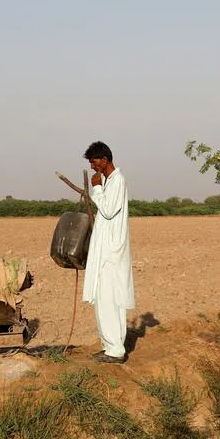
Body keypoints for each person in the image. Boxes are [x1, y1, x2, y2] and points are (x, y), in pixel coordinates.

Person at [82, 140, 135, 363]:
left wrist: (95, 188)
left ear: (104, 160)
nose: (93, 167)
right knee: (103, 302)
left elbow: (109, 210)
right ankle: (109, 346)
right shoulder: (108, 181)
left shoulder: (117, 181)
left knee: (110, 301)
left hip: (112, 254)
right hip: (104, 251)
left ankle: (115, 350)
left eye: (94, 162)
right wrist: (98, 186)